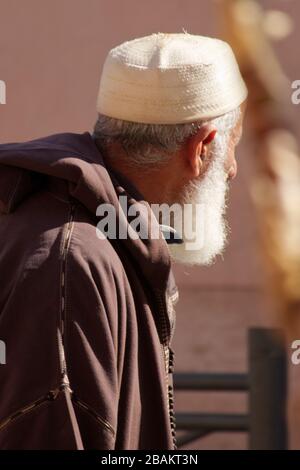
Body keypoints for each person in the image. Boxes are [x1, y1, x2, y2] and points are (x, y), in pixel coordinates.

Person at [0, 33, 247, 449]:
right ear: (202, 147)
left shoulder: (96, 233)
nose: (234, 169)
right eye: (233, 147)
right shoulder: (75, 260)